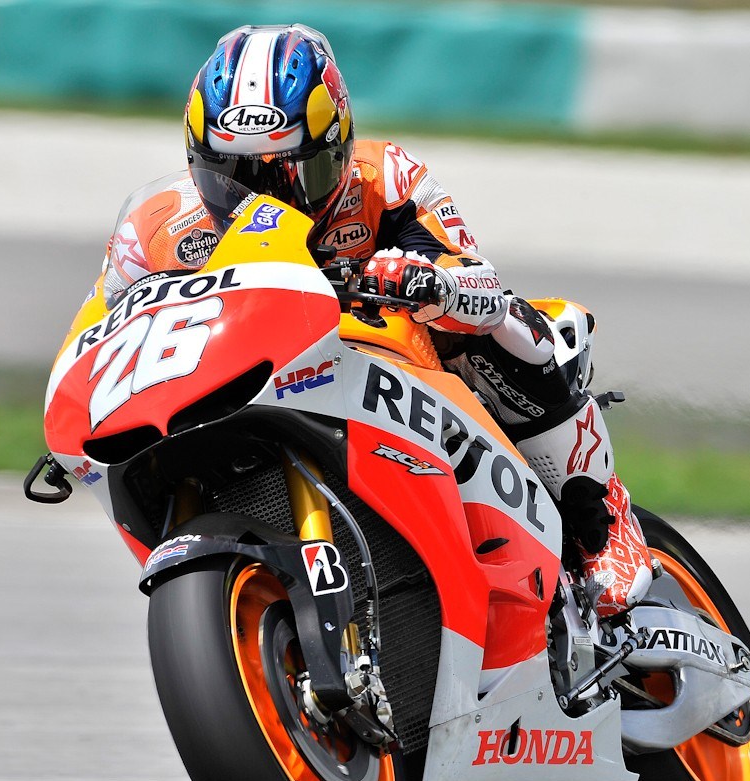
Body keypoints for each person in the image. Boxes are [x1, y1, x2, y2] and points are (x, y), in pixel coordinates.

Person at [101, 24, 652, 618]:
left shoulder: (386, 179)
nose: (265, 198)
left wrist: (430, 283)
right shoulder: (153, 231)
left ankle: (598, 517)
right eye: (232, 177)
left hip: (395, 363)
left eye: (294, 173)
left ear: (338, 147)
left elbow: (480, 282)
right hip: (254, 373)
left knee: (503, 329)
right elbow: (106, 330)